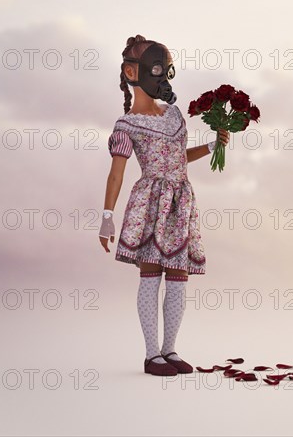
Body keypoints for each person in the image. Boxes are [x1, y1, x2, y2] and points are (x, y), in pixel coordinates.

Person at [98, 35, 229, 376]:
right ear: (131, 72)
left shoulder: (174, 115)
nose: (163, 79)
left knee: (178, 276)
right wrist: (107, 216)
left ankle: (170, 348)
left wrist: (211, 146)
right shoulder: (126, 125)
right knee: (151, 274)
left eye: (166, 71)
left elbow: (177, 159)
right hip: (151, 203)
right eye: (156, 69)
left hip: (179, 200)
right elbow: (117, 174)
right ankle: (151, 353)